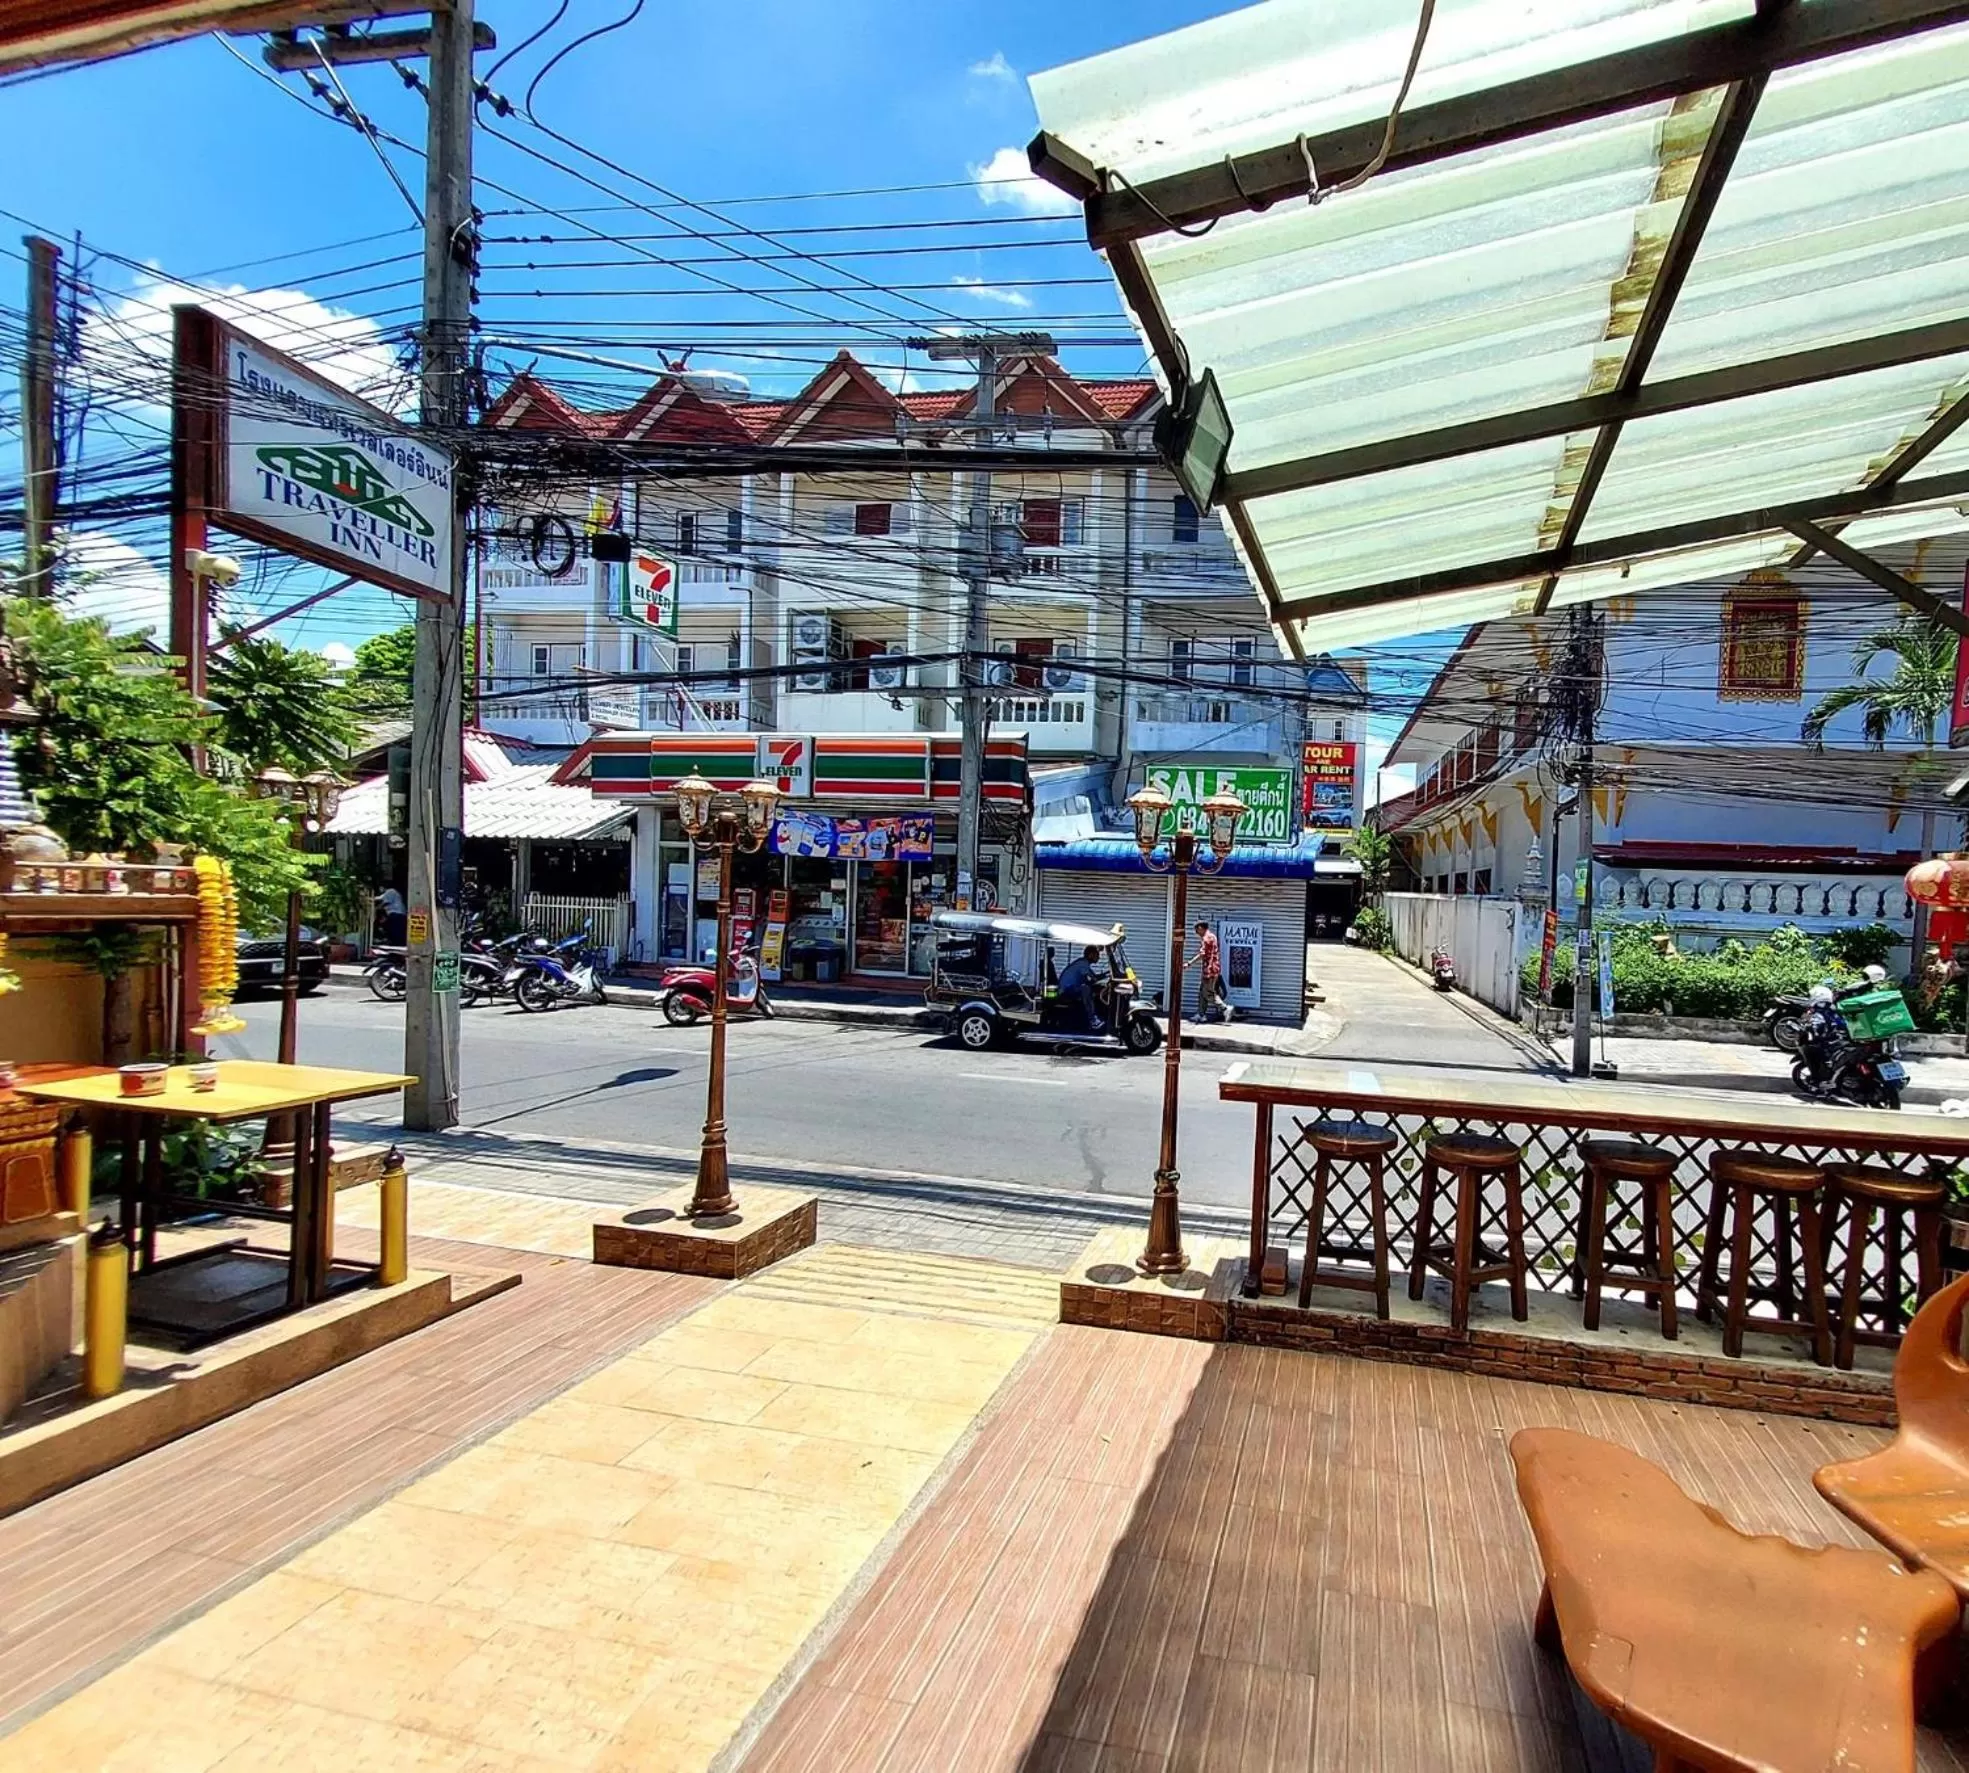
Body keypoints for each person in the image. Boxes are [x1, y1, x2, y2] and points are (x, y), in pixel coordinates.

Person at [1186, 918, 1228, 1021]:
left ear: (1200, 928)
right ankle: (1201, 1014)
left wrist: (1189, 963)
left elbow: (1202, 954)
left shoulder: (1206, 938)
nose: (1196, 933)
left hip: (1209, 970)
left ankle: (1225, 1008)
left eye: (1197, 930)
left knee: (1208, 993)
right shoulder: (1212, 936)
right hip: (1213, 969)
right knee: (1201, 992)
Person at [1057, 944, 1105, 1031]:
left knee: (1090, 988)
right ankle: (1092, 1019)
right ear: (1091, 955)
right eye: (1097, 955)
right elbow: (1093, 978)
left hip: (1072, 988)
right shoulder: (1083, 964)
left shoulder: (1083, 963)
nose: (1099, 958)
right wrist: (1101, 977)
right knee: (1086, 989)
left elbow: (1092, 978)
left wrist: (1105, 975)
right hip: (1067, 990)